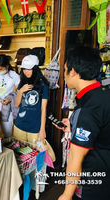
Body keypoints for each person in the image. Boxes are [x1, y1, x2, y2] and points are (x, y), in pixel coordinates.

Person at [54, 46, 110, 200]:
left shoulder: (87, 109)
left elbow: (75, 158)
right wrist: (74, 127)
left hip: (93, 185)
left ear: (73, 72)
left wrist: (66, 195)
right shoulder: (104, 93)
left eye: (65, 70)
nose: (64, 76)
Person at [14, 55, 49, 144]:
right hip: (19, 125)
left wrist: (42, 129)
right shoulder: (22, 83)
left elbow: (43, 109)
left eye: (29, 69)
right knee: (20, 154)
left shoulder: (43, 85)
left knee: (36, 155)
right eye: (24, 69)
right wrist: (21, 91)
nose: (26, 72)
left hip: (35, 128)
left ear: (35, 69)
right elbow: (16, 104)